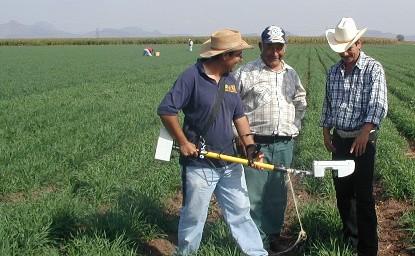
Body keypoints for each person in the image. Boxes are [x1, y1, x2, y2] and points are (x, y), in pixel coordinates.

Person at [157, 29, 267, 256]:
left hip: (229, 162)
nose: (240, 60)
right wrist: (184, 142)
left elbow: (239, 116)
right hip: (199, 165)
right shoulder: (191, 77)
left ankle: (256, 253)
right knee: (194, 216)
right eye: (238, 55)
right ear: (225, 56)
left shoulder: (230, 80)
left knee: (241, 212)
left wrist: (250, 147)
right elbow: (166, 110)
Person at [232, 25, 307, 252]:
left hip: (284, 144)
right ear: (260, 46)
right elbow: (231, 107)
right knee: (253, 196)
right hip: (255, 144)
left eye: (279, 47)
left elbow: (300, 101)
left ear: (284, 47)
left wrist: (294, 126)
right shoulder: (245, 73)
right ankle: (255, 242)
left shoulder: (290, 74)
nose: (275, 52)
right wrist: (240, 140)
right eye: (270, 47)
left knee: (277, 195)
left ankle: (273, 235)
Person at [320, 17, 387, 256]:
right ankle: (350, 237)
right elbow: (328, 103)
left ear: (360, 43)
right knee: (343, 192)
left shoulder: (373, 69)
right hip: (340, 139)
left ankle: (368, 248)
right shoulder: (333, 72)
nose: (346, 53)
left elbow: (378, 104)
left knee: (364, 196)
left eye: (350, 47)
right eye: (342, 49)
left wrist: (365, 133)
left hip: (363, 141)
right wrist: (326, 131)